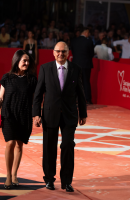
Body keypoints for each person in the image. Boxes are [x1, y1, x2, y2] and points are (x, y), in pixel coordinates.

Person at [32, 42, 87, 192]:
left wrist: (83, 113)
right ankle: (49, 179)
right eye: (58, 51)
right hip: (50, 114)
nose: (60, 54)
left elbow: (80, 93)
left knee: (68, 146)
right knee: (49, 147)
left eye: (63, 51)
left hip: (69, 114)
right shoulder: (45, 68)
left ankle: (67, 181)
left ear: (68, 53)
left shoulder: (76, 69)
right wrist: (36, 113)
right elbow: (38, 93)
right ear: (53, 52)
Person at [0, 50, 37, 189]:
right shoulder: (7, 78)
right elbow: (0, 97)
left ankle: (14, 174)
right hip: (9, 114)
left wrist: (37, 114)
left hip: (24, 115)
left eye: (28, 61)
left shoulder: (32, 79)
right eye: (24, 60)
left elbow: (36, 99)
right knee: (10, 142)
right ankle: (7, 175)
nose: (26, 63)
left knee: (19, 144)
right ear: (17, 61)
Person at [71, 27, 94, 104]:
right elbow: (91, 54)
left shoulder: (74, 41)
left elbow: (73, 52)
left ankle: (76, 99)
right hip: (86, 64)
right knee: (86, 82)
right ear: (86, 33)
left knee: (76, 82)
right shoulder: (89, 41)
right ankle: (88, 99)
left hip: (76, 64)